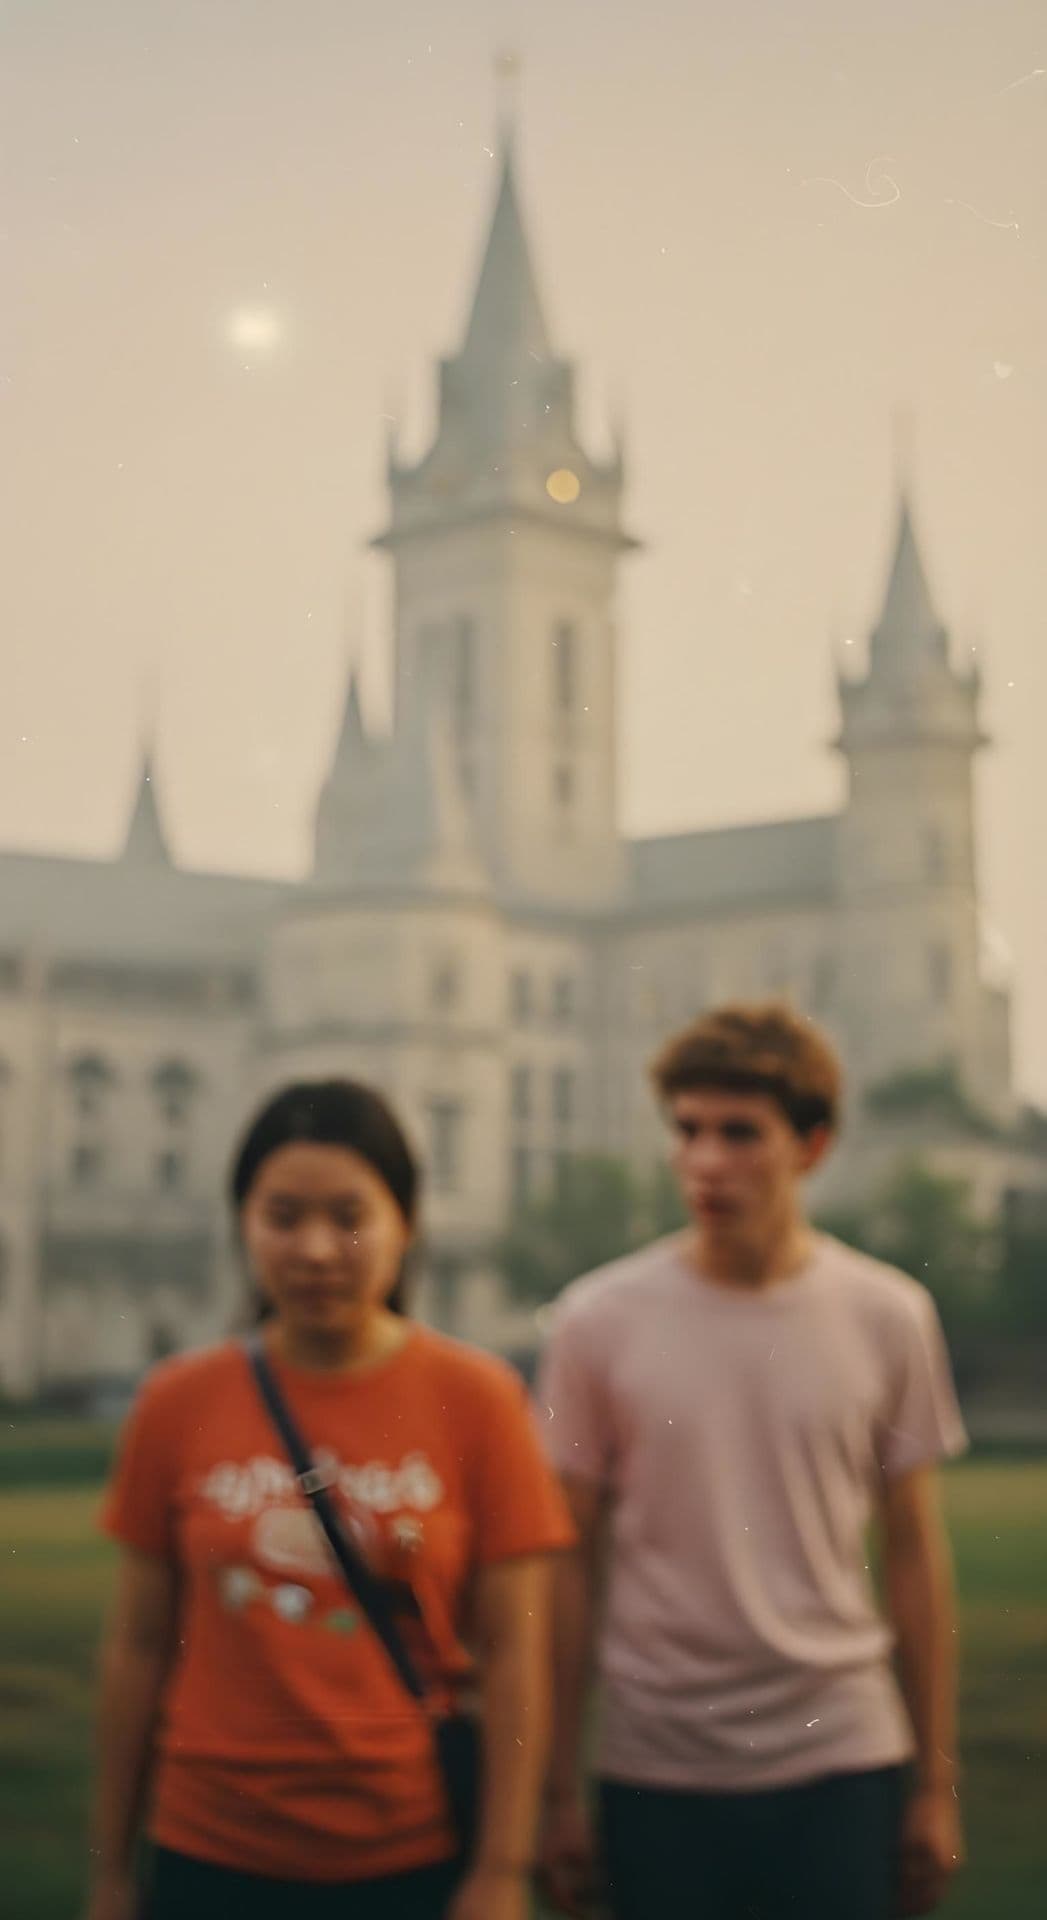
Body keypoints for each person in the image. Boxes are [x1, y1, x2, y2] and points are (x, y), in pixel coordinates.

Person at [85, 1078, 574, 1920]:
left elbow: (515, 1655)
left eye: (349, 1216)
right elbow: (136, 1648)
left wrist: (501, 1868)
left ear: (405, 1225)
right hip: (210, 1849)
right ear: (243, 1223)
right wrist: (110, 1875)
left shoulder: (479, 1398)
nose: (314, 1250)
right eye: (282, 1217)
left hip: (410, 1851)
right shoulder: (177, 1401)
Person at [538, 1003, 967, 1920]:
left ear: (811, 1146)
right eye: (687, 1131)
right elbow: (566, 1566)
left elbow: (914, 1558)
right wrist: (554, 1791)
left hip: (840, 1757)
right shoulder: (594, 1321)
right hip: (656, 1763)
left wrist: (933, 1790)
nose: (704, 1160)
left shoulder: (887, 1316)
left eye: (740, 1133)